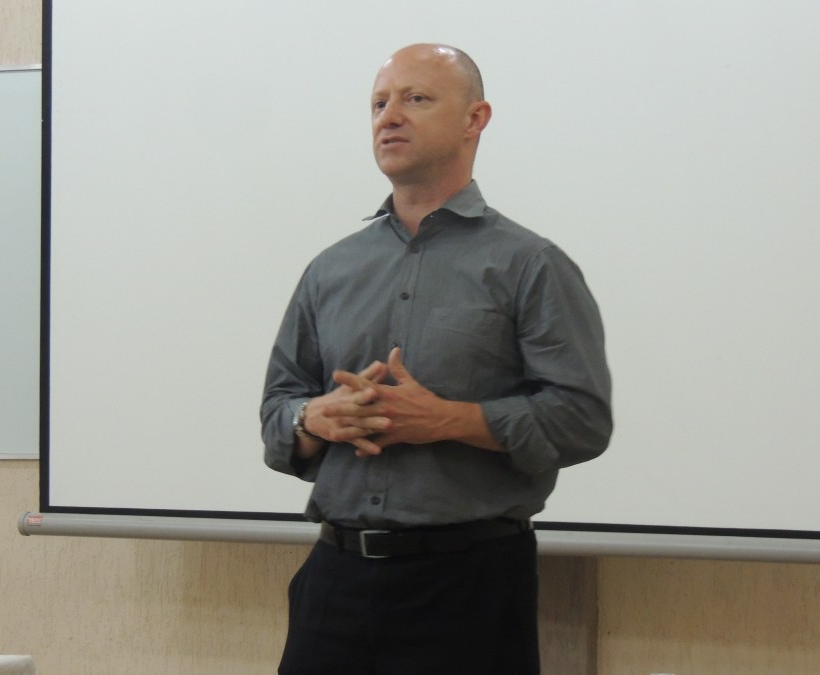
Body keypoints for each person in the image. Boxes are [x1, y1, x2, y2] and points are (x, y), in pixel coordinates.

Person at [261, 43, 612, 675]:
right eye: (378, 103)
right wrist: (315, 418)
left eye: (415, 99)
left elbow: (581, 419)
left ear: (475, 119)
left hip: (468, 589)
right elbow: (277, 413)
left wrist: (448, 420)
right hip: (334, 584)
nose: (389, 116)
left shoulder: (530, 265)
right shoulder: (330, 269)